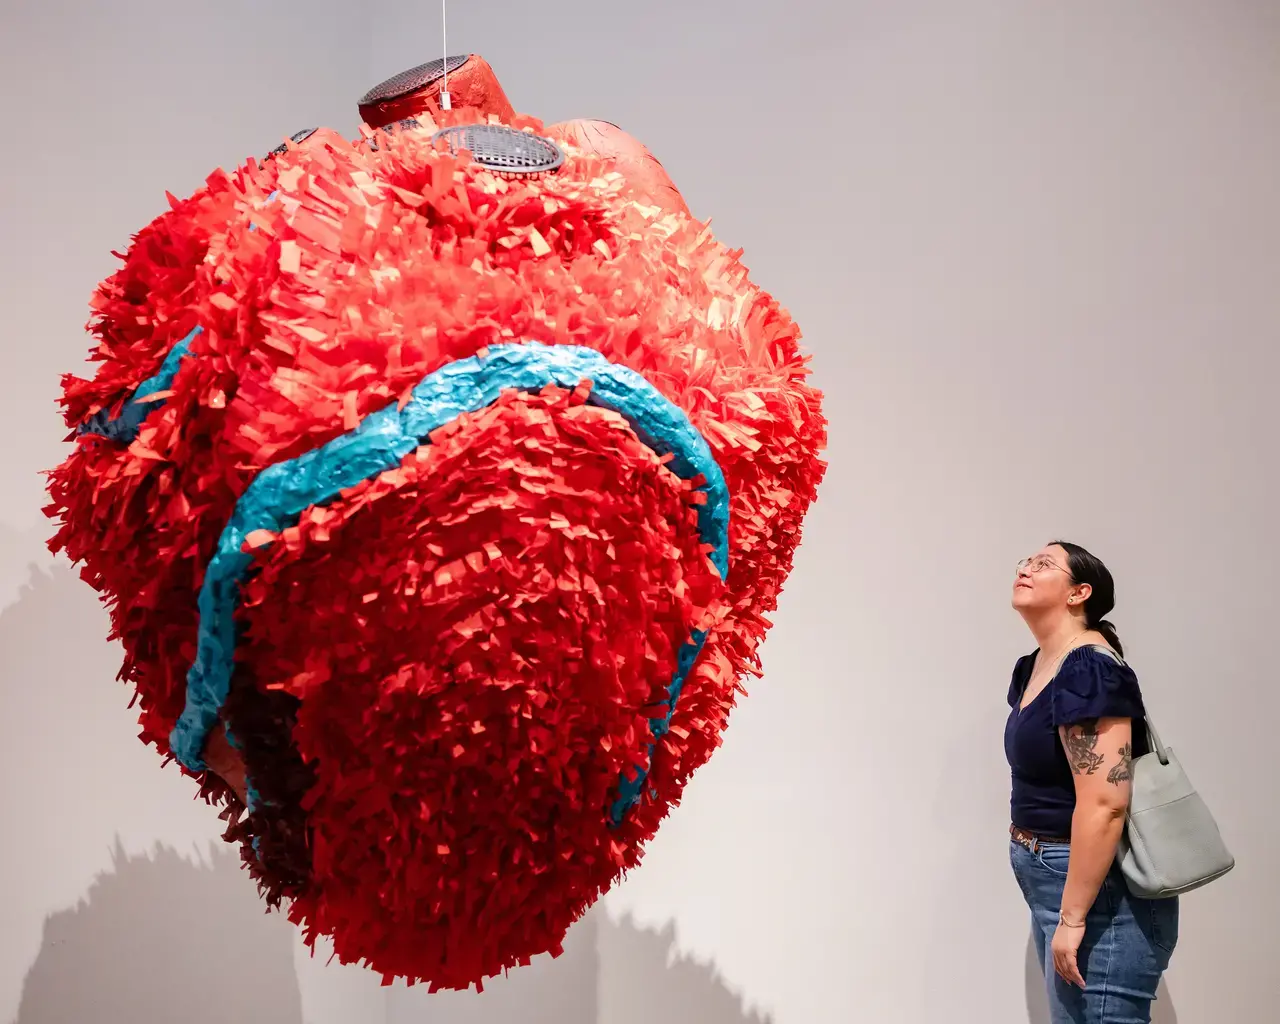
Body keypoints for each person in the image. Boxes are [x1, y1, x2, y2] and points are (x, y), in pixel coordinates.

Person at [1004, 541, 1178, 1023]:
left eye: (1043, 564)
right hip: (1052, 874)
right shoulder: (1035, 665)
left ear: (1079, 592)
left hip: (1098, 890)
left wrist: (1072, 917)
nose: (1025, 568)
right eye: (1025, 561)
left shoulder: (1089, 668)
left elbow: (1106, 803)